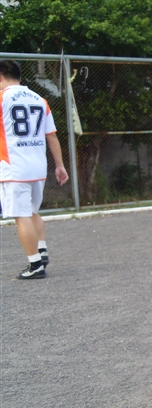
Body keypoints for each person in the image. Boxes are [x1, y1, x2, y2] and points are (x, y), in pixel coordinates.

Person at [0, 60, 69, 279]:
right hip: (38, 166)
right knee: (32, 211)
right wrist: (60, 165)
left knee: (21, 215)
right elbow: (52, 136)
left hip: (14, 167)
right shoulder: (40, 99)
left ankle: (35, 265)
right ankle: (41, 251)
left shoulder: (2, 98)